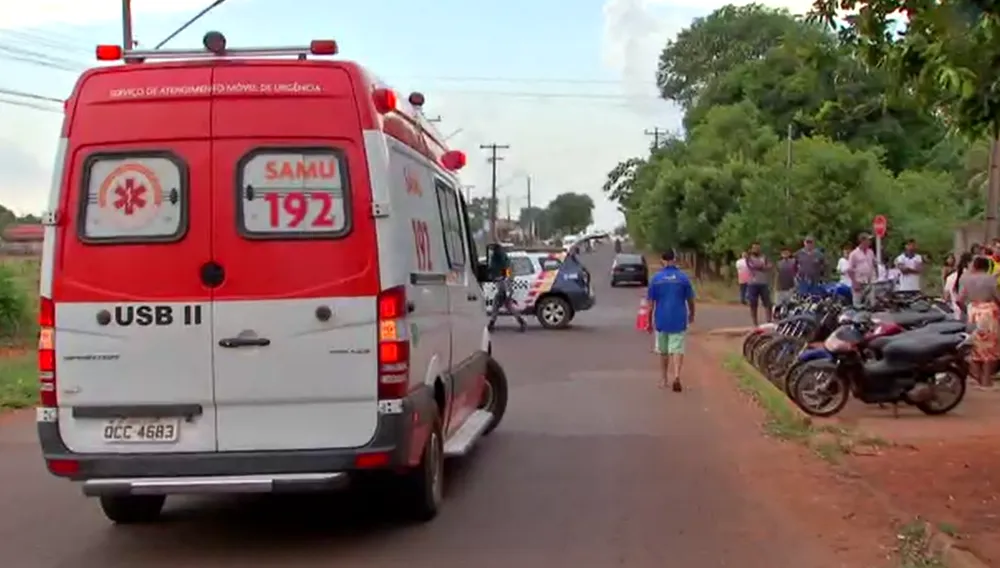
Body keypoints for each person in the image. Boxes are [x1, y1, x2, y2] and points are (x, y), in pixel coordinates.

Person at [645, 249, 695, 392]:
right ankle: (677, 376)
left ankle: (664, 378)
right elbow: (690, 300)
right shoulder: (683, 278)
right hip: (679, 318)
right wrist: (692, 314)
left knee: (663, 351)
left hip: (661, 319)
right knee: (678, 349)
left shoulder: (656, 279)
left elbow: (650, 304)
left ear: (662, 261)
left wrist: (649, 322)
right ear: (675, 259)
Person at [956, 255, 1000, 388]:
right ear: (987, 267)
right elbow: (997, 297)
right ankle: (986, 381)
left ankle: (977, 378)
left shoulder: (965, 278)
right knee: (989, 348)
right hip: (989, 312)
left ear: (975, 266)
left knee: (974, 346)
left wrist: (967, 310)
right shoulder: (990, 279)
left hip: (973, 311)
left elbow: (959, 299)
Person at [485, 243, 527, 333]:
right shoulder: (499, 257)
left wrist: (506, 280)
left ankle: (492, 324)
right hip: (503, 283)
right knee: (506, 305)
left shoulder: (499, 257)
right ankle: (521, 322)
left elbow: (507, 269)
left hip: (503, 283)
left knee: (498, 304)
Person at [745, 242, 772, 326]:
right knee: (753, 303)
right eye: (754, 248)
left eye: (757, 248)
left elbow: (770, 266)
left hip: (763, 282)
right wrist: (762, 266)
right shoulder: (748, 258)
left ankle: (768, 321)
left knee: (768, 302)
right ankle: (755, 323)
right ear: (751, 249)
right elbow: (752, 266)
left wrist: (762, 266)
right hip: (752, 283)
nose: (756, 249)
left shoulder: (764, 257)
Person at [847, 233, 877, 307]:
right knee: (858, 304)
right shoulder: (854, 254)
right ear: (862, 241)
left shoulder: (870, 252)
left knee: (871, 304)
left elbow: (873, 264)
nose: (870, 242)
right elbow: (850, 270)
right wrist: (854, 282)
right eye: (868, 240)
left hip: (869, 282)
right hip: (859, 282)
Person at [943, 252, 972, 319]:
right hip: (971, 313)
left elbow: (946, 297)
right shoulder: (972, 277)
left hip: (956, 313)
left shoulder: (950, 277)